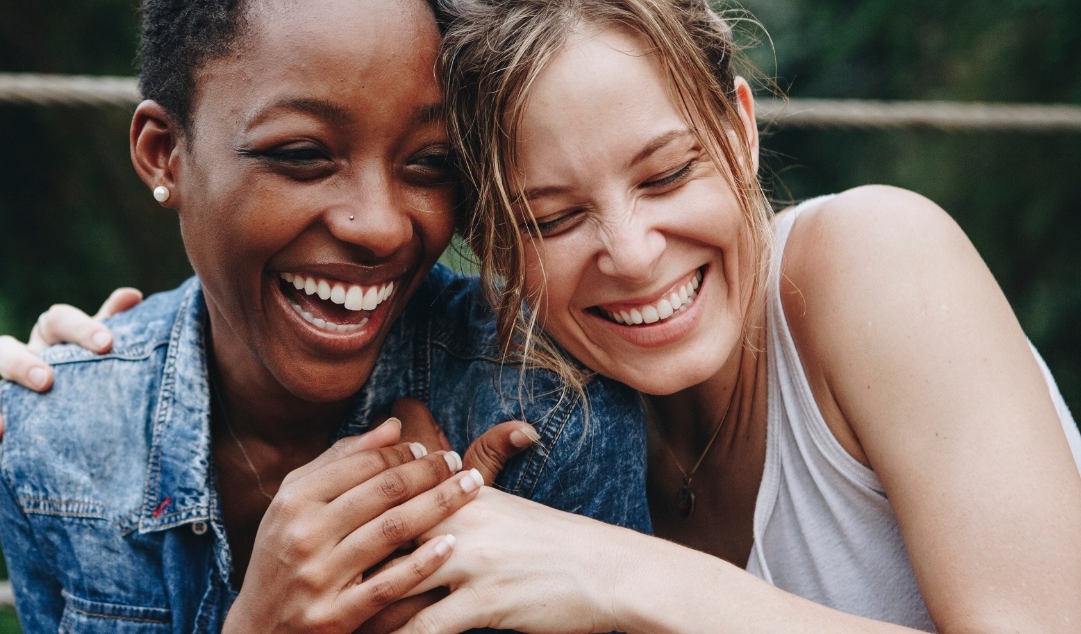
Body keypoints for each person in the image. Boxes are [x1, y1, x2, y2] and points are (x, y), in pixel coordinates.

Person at [371, 0, 1081, 631]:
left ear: (741, 130)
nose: (634, 255)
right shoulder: (547, 427)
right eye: (553, 219)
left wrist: (622, 573)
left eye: (668, 175)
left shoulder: (878, 258)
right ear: (493, 243)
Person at [0, 0, 651, 632]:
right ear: (165, 154)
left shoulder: (550, 411)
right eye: (303, 155)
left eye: (430, 163)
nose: (381, 227)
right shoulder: (57, 446)